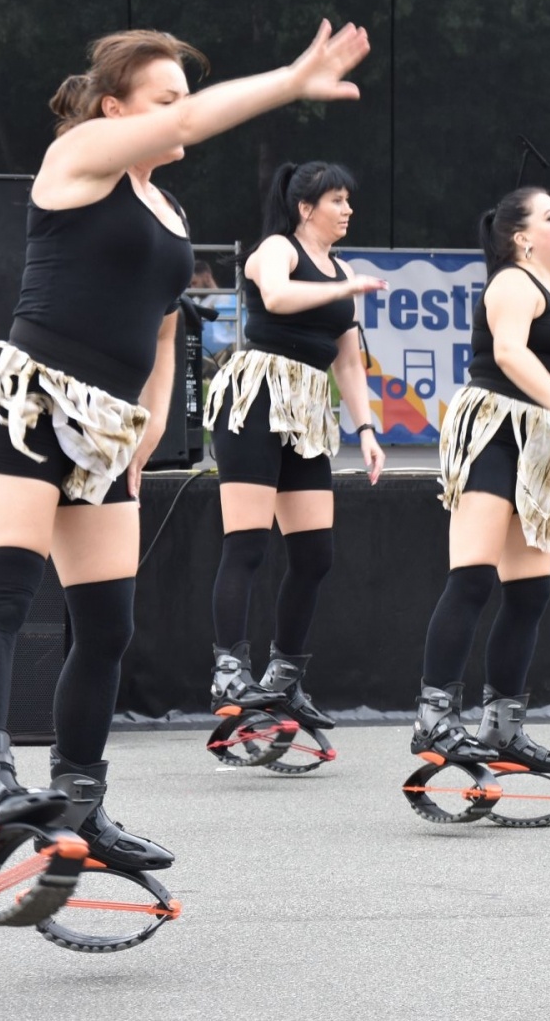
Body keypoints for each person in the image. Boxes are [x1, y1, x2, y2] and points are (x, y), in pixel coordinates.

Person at [0, 21, 370, 881]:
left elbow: (167, 340)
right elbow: (188, 126)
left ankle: (81, 804)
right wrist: (289, 79)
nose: (179, 114)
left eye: (182, 96)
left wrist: (143, 434)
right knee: (6, 597)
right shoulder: (82, 155)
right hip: (29, 404)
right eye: (164, 99)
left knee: (106, 627)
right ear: (114, 107)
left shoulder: (167, 209)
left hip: (105, 431)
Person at [411, 187, 550, 772]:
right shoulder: (511, 282)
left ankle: (502, 727)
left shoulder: (548, 289)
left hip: (534, 443)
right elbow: (511, 354)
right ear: (521, 237)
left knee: (529, 591)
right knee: (472, 578)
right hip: (495, 430)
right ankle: (435, 718)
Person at [204, 160, 385, 726]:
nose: (348, 210)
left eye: (348, 201)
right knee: (249, 543)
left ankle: (283, 679)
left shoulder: (342, 268)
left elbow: (350, 364)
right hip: (256, 398)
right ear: (306, 208)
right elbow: (278, 299)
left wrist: (367, 429)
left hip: (306, 410)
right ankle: (229, 671)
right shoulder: (276, 250)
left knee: (314, 555)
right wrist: (346, 285)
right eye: (337, 200)